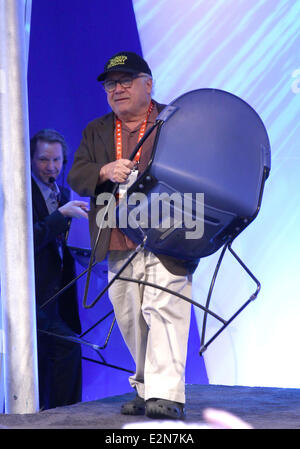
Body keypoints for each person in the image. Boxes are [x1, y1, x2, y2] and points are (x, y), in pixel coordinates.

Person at [67, 52, 198, 420]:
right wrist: (105, 170)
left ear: (148, 84)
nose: (118, 89)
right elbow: (77, 176)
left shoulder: (174, 121)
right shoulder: (96, 130)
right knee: (129, 316)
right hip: (116, 236)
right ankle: (145, 389)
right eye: (111, 84)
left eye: (126, 81)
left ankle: (167, 393)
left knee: (165, 307)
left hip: (167, 234)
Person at [31, 128, 88, 410]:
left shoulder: (62, 192)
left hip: (59, 294)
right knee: (62, 349)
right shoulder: (19, 192)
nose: (51, 167)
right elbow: (25, 240)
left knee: (64, 351)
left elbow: (63, 245)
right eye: (44, 160)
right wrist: (60, 216)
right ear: (30, 159)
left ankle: (64, 416)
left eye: (57, 161)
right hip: (31, 295)